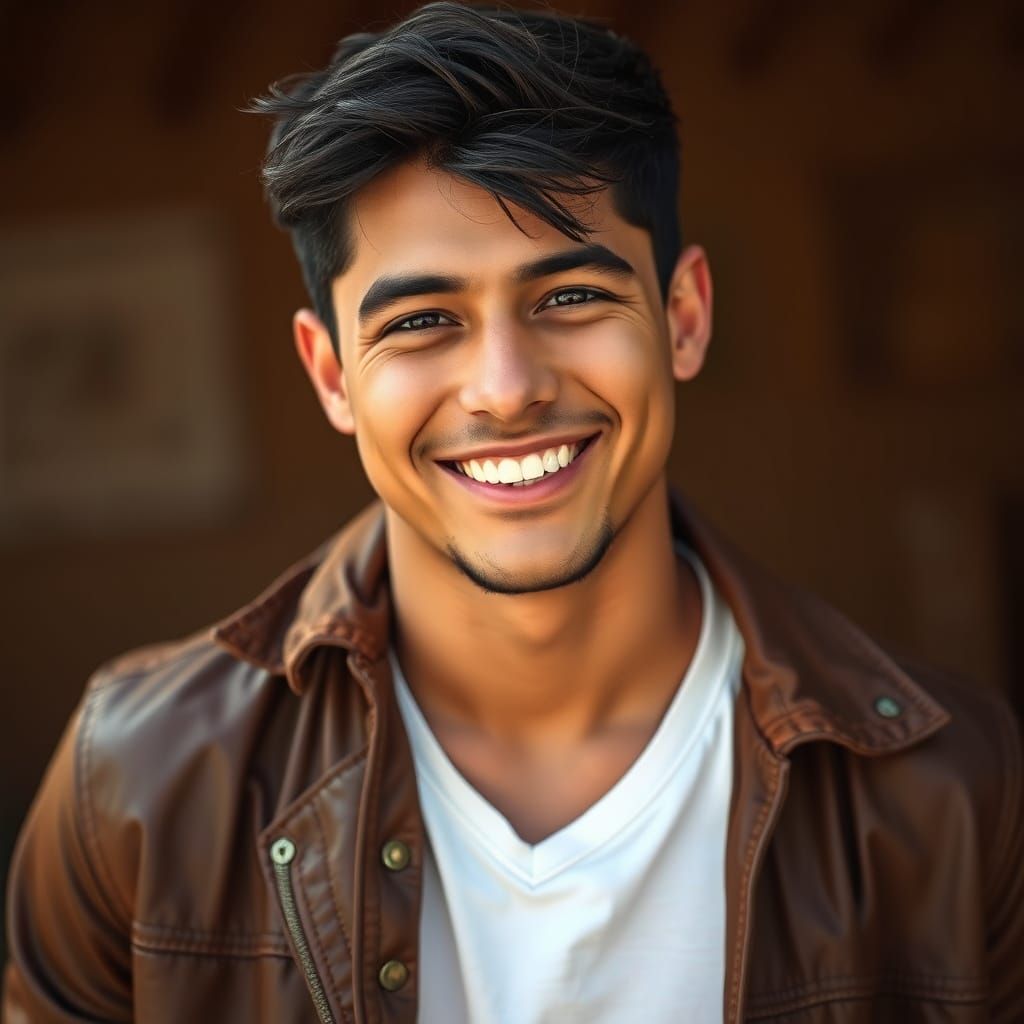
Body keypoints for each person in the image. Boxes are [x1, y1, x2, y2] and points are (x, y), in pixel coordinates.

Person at [5, 3, 1022, 1021]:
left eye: (571, 297)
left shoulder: (955, 795)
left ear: (682, 317)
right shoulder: (138, 783)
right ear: (332, 375)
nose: (505, 387)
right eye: (422, 321)